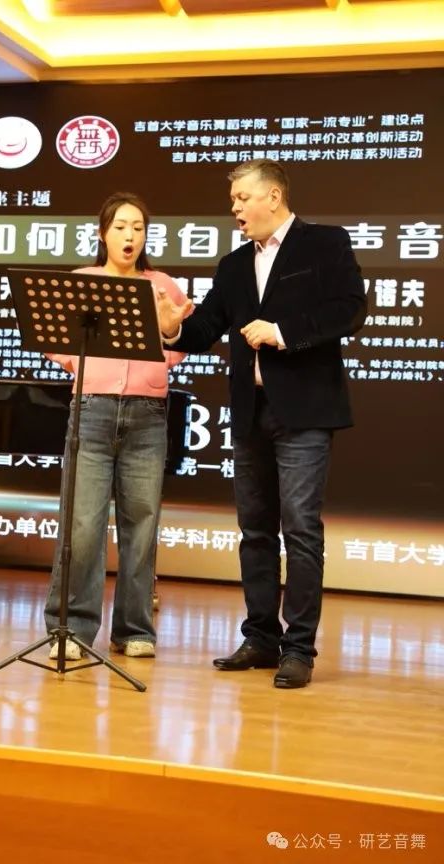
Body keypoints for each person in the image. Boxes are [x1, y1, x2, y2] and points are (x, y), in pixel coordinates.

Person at [157, 159, 366, 688]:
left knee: (300, 529)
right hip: (250, 413)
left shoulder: (325, 243)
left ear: (273, 197)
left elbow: (350, 309)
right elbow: (206, 326)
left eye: (242, 198)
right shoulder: (233, 264)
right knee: (254, 530)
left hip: (305, 412)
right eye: (233, 200)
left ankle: (299, 649)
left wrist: (282, 331)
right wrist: (172, 329)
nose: (235, 208)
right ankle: (260, 638)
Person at [44, 192, 186, 660]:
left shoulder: (161, 284)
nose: (130, 236)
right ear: (102, 233)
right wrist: (82, 365)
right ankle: (70, 630)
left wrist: (170, 331)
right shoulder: (82, 282)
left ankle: (133, 630)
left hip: (147, 416)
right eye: (121, 226)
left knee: (141, 525)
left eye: (139, 228)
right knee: (82, 524)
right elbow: (55, 340)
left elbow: (181, 343)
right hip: (93, 410)